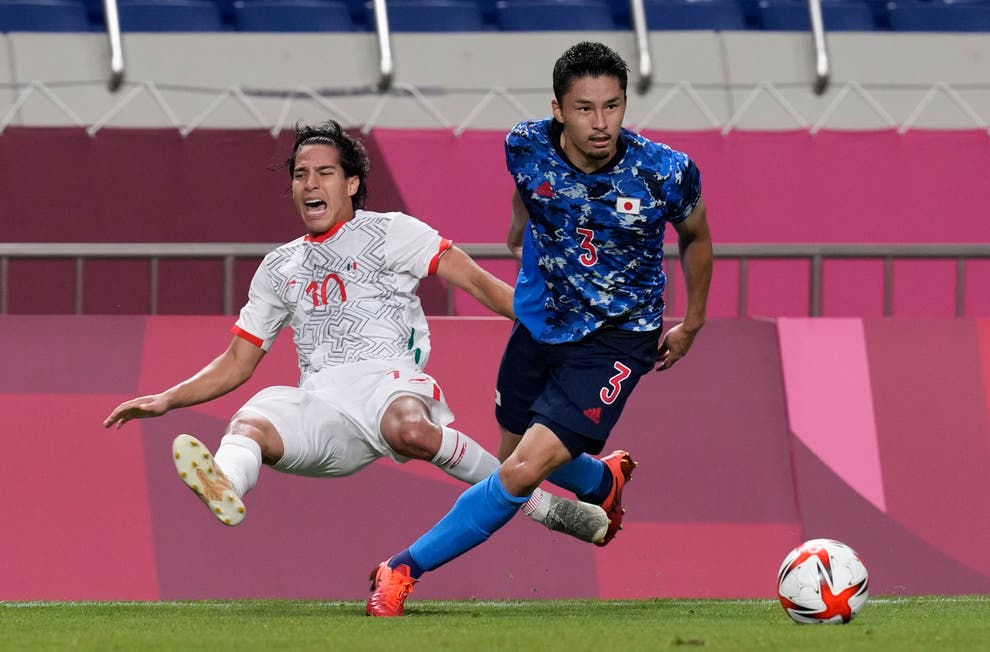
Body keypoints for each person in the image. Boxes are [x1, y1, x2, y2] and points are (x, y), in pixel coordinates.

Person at [103, 120, 609, 547]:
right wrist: (167, 399)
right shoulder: (280, 266)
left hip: (390, 382)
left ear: (350, 183)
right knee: (249, 424)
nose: (309, 184)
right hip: (323, 404)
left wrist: (556, 331)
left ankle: (544, 508)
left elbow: (477, 282)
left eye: (324, 172)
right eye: (301, 175)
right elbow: (237, 361)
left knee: (407, 430)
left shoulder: (392, 232)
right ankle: (226, 483)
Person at [367, 41, 714, 617]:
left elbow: (697, 237)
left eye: (612, 106)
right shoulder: (523, 144)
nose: (601, 123)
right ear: (558, 108)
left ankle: (401, 568)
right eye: (585, 108)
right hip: (539, 325)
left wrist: (693, 322)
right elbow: (528, 186)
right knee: (511, 455)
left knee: (520, 471)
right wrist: (517, 225)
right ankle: (600, 484)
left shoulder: (665, 172)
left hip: (616, 338)